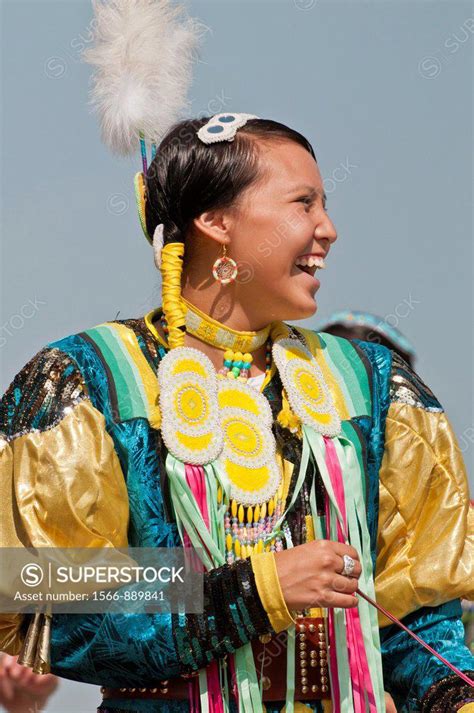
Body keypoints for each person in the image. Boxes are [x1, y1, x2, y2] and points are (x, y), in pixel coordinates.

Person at [0, 3, 472, 712]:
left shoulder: (373, 387)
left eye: (326, 203)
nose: (328, 229)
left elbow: (419, 611)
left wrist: (452, 695)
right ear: (215, 222)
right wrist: (253, 591)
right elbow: (40, 593)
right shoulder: (88, 379)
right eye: (302, 203)